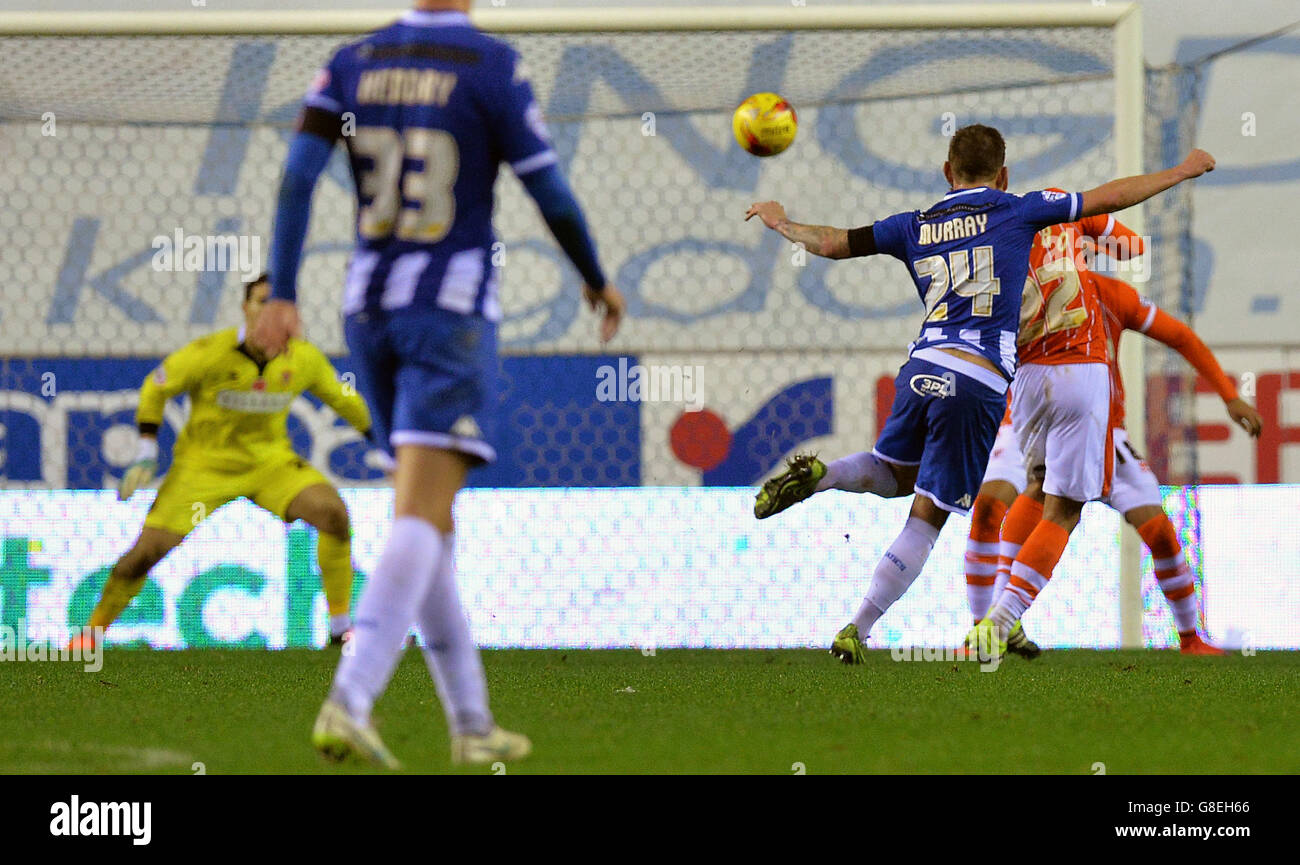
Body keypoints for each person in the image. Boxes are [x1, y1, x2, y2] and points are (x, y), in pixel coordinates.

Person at [253, 0, 625, 767]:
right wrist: (594, 277)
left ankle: (471, 724)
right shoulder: (490, 64)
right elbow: (548, 190)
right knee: (422, 516)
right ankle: (350, 700)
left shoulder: (353, 60)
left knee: (432, 525)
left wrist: (284, 292)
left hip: (368, 310)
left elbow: (296, 179)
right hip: (448, 314)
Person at [747, 123, 1215, 664]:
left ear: (947, 172)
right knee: (928, 514)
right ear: (1004, 174)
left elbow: (830, 243)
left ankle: (823, 475)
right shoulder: (1020, 210)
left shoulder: (912, 225)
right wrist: (1180, 171)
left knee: (893, 473)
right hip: (979, 378)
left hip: (922, 365)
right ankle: (859, 626)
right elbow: (1112, 195)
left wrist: (779, 219)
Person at [71, 275, 370, 650]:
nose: (267, 310)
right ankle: (89, 638)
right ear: (245, 308)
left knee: (333, 515)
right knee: (143, 555)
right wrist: (147, 450)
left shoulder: (304, 358)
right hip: (204, 469)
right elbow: (156, 386)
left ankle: (340, 630)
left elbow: (346, 401)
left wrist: (391, 446)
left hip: (270, 465)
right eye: (260, 301)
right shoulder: (210, 352)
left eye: (276, 303)